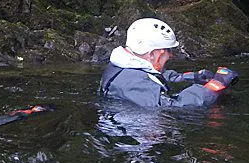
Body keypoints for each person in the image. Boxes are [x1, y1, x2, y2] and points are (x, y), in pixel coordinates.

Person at [99, 17, 238, 108]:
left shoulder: (127, 65)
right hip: (140, 145)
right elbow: (174, 106)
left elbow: (156, 77)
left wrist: (193, 77)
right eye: (167, 51)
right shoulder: (131, 83)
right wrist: (213, 87)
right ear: (152, 54)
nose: (170, 55)